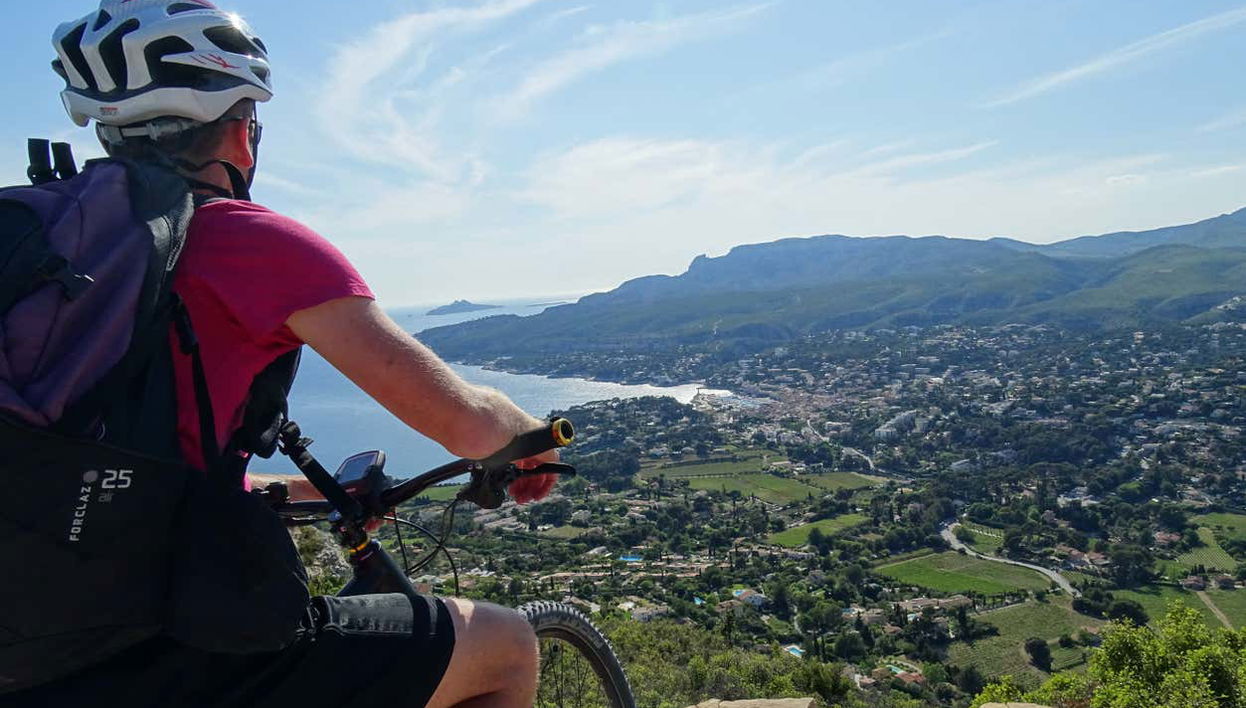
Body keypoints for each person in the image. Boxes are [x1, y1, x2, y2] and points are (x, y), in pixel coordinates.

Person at [11, 1, 557, 706]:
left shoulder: (37, 247)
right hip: (155, 653)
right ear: (241, 134)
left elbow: (101, 478)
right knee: (506, 644)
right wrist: (531, 437)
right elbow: (471, 426)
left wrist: (295, 492)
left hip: (28, 654)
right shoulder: (254, 243)